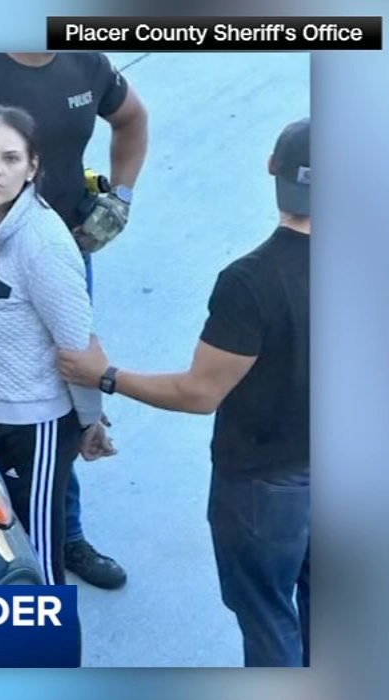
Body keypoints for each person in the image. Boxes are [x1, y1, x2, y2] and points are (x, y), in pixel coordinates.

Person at [56, 118, 311, 666]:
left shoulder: (252, 281)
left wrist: (106, 375)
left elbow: (200, 393)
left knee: (269, 621)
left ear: (272, 168)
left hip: (263, 489)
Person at [0, 52, 148, 589]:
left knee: (53, 404)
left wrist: (121, 199)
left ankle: (61, 538)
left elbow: (133, 119)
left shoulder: (87, 62)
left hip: (59, 256)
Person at [0, 104, 114, 595]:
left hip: (35, 427)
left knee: (40, 566)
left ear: (32, 166)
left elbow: (77, 345)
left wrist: (90, 422)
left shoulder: (43, 242)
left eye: (9, 158)